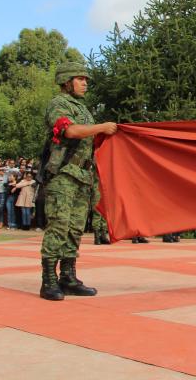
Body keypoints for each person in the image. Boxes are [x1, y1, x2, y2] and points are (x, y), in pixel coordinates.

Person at [39, 61, 117, 301]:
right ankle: (49, 281)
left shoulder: (83, 109)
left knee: (74, 230)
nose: (85, 83)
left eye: (86, 79)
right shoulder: (59, 104)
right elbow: (69, 131)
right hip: (63, 176)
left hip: (83, 177)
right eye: (80, 78)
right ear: (66, 81)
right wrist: (102, 127)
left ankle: (68, 277)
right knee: (59, 227)